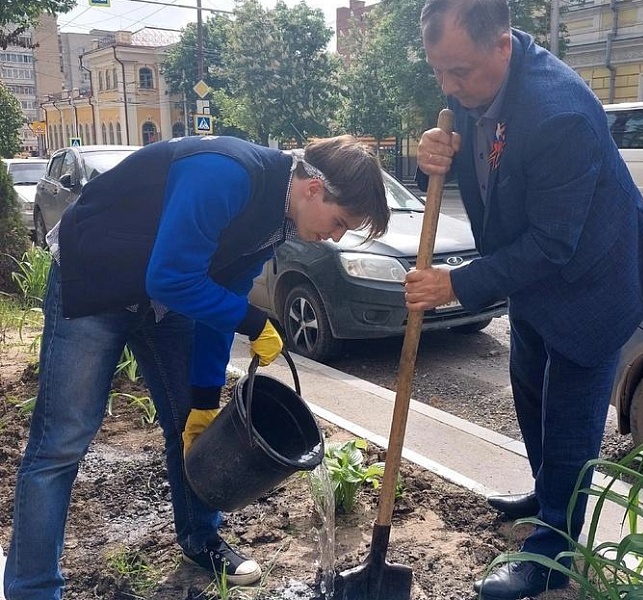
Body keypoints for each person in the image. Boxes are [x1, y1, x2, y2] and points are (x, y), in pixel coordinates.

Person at [4, 134, 389, 600]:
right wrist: (251, 320)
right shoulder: (224, 173)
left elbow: (216, 306)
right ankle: (33, 588)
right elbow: (171, 277)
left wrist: (206, 400)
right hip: (96, 284)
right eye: (340, 221)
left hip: (164, 303)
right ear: (313, 189)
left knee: (190, 422)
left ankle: (200, 540)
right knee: (62, 440)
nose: (336, 236)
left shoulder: (277, 221)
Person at [407, 1, 643, 598]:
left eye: (460, 72)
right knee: (528, 384)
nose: (449, 87)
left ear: (502, 44)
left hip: (592, 283)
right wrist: (436, 144)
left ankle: (554, 550)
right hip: (531, 278)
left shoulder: (560, 113)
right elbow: (487, 166)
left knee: (571, 417)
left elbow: (554, 242)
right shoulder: (485, 85)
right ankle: (546, 489)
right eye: (438, 71)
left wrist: (456, 283)